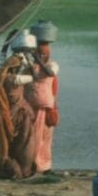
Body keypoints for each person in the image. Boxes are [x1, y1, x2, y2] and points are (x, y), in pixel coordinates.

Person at [0, 30, 38, 179]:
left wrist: (6, 44)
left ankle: (8, 168)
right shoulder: (15, 79)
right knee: (25, 142)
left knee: (8, 145)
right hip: (19, 115)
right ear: (16, 68)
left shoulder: (1, 76)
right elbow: (34, 75)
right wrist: (30, 55)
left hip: (6, 115)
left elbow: (1, 61)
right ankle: (23, 169)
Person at [25, 39, 59, 174]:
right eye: (39, 53)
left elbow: (50, 73)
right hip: (30, 109)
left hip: (45, 109)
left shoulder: (53, 65)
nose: (41, 56)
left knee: (44, 139)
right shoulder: (30, 67)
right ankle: (31, 164)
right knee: (31, 138)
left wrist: (37, 59)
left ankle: (44, 166)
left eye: (43, 54)